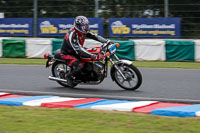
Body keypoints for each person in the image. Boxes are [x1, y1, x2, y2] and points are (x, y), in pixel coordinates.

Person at [60, 16, 114, 87]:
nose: (85, 28)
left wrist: (107, 41)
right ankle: (69, 77)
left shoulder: (84, 32)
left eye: (86, 25)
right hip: (68, 53)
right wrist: (92, 55)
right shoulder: (72, 35)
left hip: (77, 50)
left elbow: (95, 36)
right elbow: (78, 49)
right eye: (83, 26)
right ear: (78, 26)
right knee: (80, 66)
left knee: (90, 60)